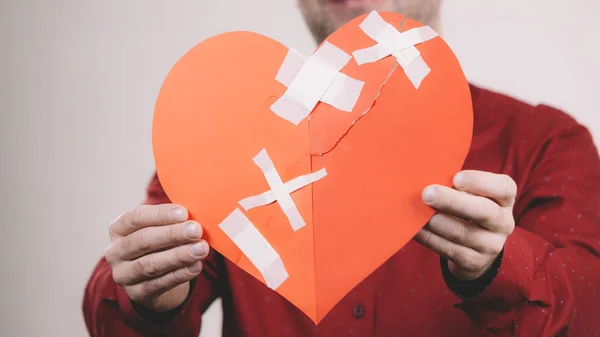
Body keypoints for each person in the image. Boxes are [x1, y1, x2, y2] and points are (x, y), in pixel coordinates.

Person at [82, 0, 600, 336]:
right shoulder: (224, 145)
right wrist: (149, 300)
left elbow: (590, 311)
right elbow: (119, 312)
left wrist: (500, 269)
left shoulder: (545, 143)